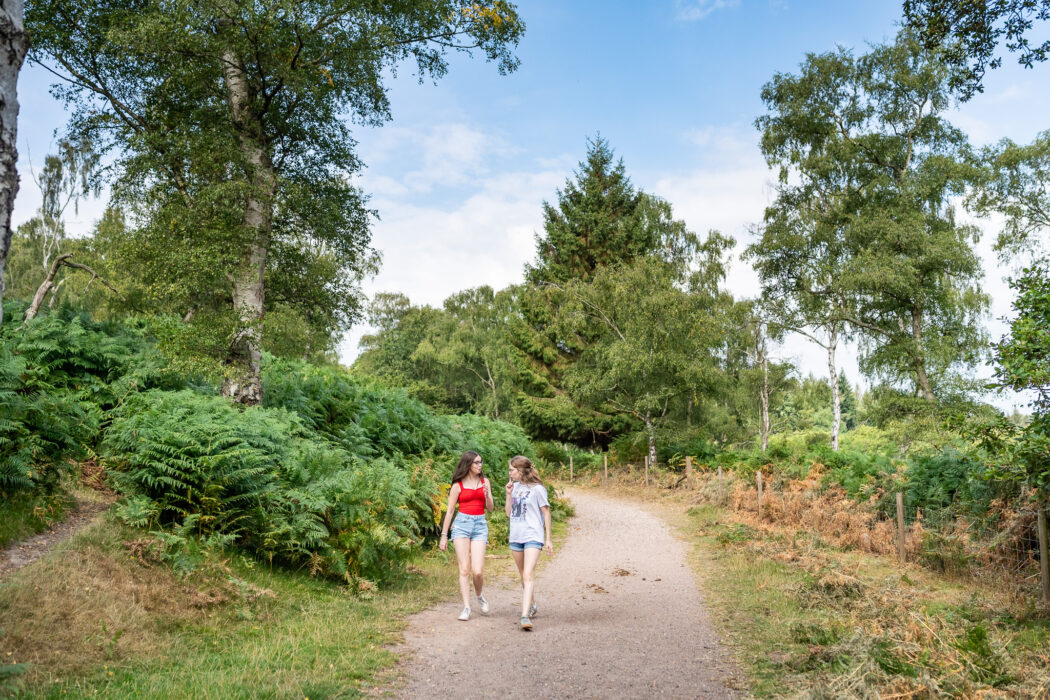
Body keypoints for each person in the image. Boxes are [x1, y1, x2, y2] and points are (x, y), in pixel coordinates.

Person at [439, 450, 495, 621]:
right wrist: (443, 535)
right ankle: (466, 607)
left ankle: (479, 595)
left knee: (477, 571)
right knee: (464, 569)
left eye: (481, 462)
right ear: (468, 464)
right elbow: (450, 511)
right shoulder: (458, 485)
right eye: (476, 462)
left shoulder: (485, 482)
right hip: (461, 525)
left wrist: (487, 494)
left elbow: (490, 508)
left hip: (480, 525)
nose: (480, 465)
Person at [505, 455, 553, 631]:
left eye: (512, 470)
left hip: (533, 535)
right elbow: (508, 513)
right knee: (522, 574)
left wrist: (548, 539)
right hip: (516, 536)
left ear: (520, 470)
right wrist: (508, 494)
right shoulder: (515, 487)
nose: (509, 473)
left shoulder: (538, 489)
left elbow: (546, 513)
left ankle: (524, 616)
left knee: (528, 574)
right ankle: (532, 604)